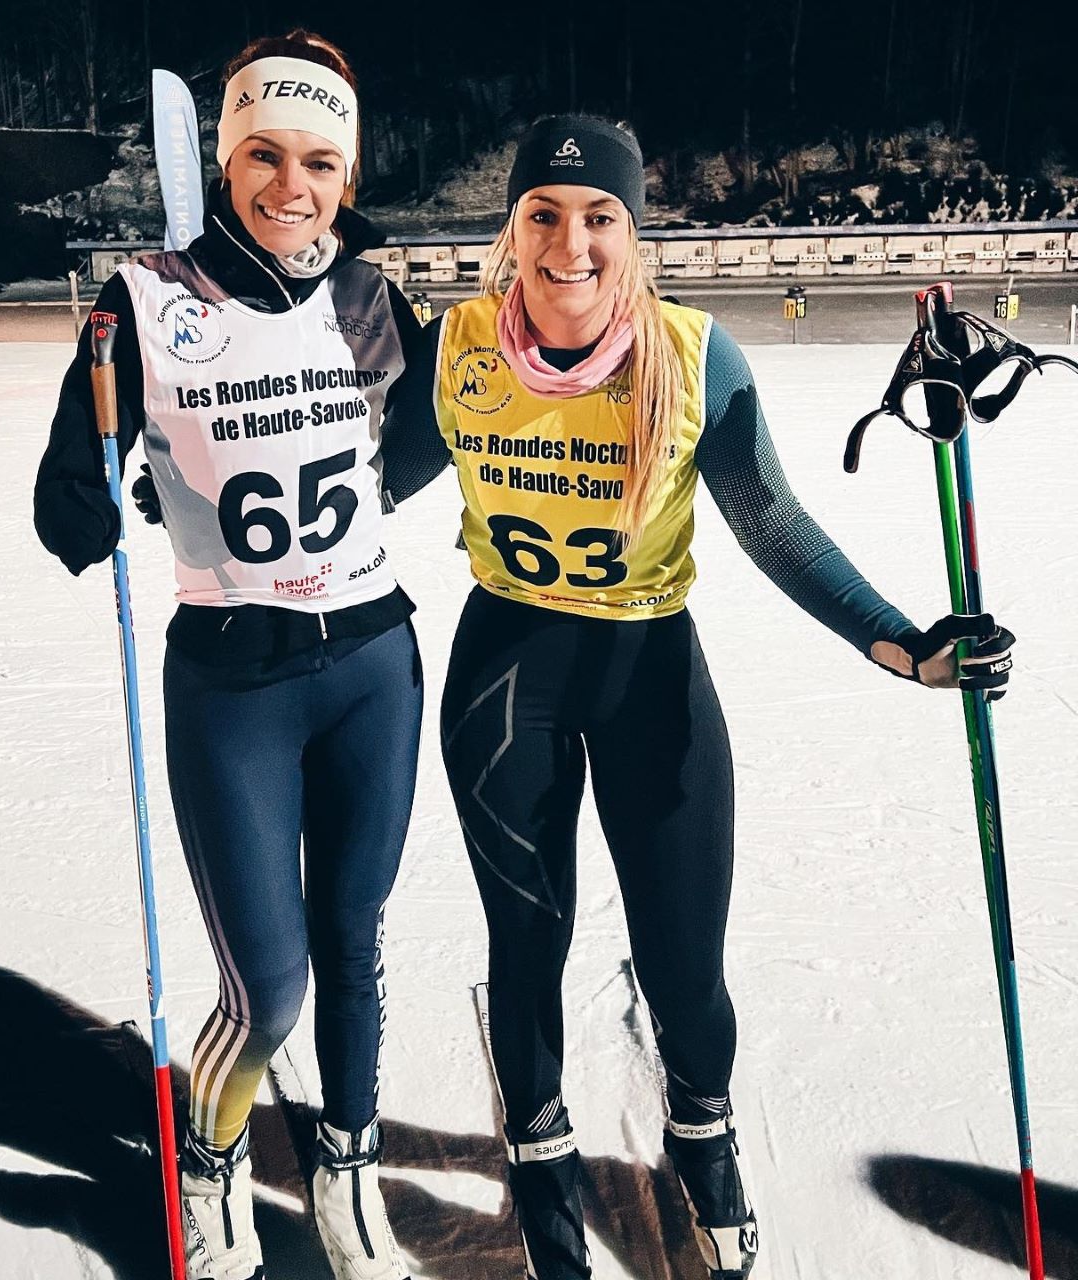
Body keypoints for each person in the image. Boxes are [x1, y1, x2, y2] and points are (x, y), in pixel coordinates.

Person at [381, 115, 1015, 1280]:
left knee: (684, 958)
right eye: (542, 213)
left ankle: (701, 1126)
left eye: (598, 217)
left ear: (631, 232)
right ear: (510, 227)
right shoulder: (454, 347)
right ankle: (536, 1142)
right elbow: (359, 483)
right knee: (527, 939)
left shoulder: (690, 352)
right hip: (504, 675)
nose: (568, 241)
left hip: (648, 676)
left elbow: (771, 522)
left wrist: (902, 645)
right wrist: (216, 469)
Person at [33, 29, 426, 1280]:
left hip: (372, 656)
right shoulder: (143, 299)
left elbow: (416, 444)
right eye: (262, 154)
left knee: (353, 943)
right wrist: (95, 498)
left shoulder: (368, 294)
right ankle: (208, 1157)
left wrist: (349, 487)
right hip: (231, 680)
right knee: (266, 985)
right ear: (224, 155)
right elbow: (61, 499)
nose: (290, 184)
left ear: (346, 174)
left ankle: (348, 1164)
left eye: (318, 160)